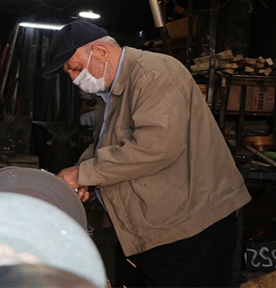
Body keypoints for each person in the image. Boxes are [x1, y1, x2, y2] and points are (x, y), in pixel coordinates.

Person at [43, 21, 251, 287]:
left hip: (189, 231)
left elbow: (155, 147)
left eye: (75, 67)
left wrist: (83, 173)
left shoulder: (154, 74)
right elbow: (105, 146)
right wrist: (85, 178)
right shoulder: (112, 93)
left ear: (101, 51)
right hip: (153, 230)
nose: (74, 78)